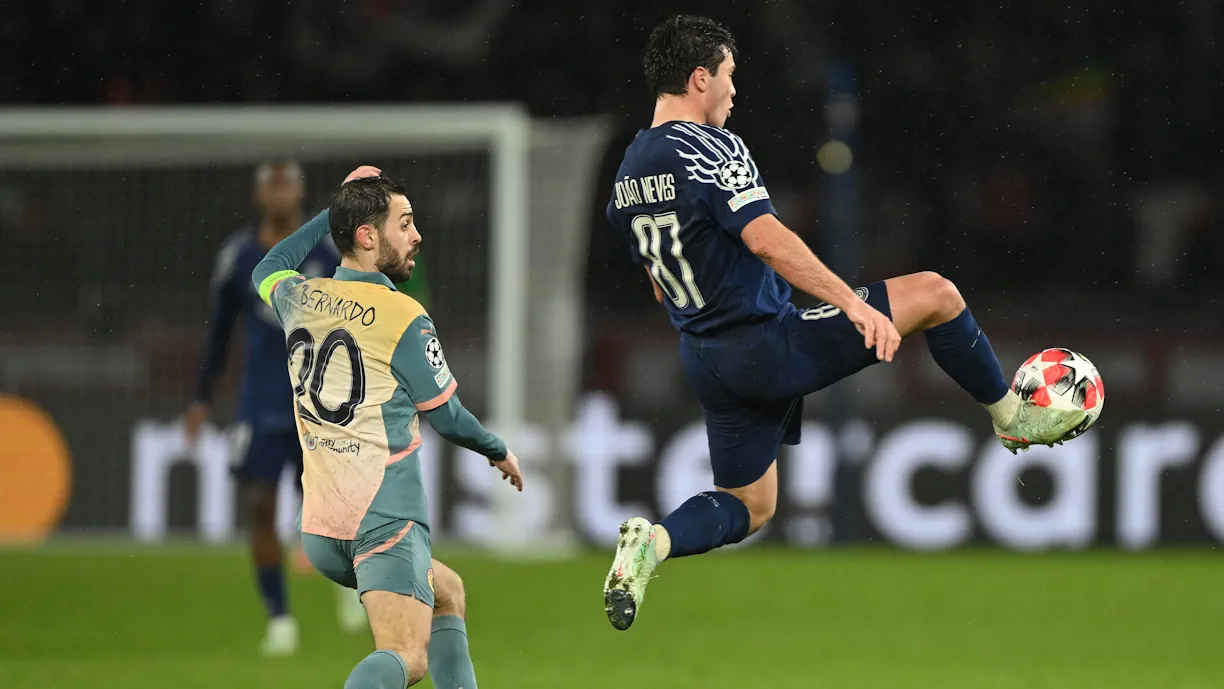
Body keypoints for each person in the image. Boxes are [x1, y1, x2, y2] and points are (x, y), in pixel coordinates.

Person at [600, 15, 1089, 631]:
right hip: (763, 343)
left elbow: (657, 276)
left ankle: (655, 544)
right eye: (728, 75)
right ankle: (1012, 417)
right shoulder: (708, 146)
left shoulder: (627, 175)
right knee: (937, 294)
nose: (733, 90)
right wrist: (853, 304)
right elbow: (767, 239)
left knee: (750, 505)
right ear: (699, 78)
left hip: (705, 357)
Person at [252, 165, 523, 689]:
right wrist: (496, 448)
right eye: (405, 223)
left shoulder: (299, 298)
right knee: (406, 656)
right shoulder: (403, 316)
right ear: (368, 235)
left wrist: (332, 213)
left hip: (322, 531)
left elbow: (268, 265)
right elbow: (447, 416)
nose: (417, 234)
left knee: (448, 591)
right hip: (384, 521)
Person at [181, 161, 364, 655]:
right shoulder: (240, 256)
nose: (281, 195)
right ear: (259, 194)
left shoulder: (330, 250)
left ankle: (344, 585)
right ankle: (280, 620)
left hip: (323, 402)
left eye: (289, 185)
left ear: (301, 193)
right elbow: (218, 332)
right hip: (260, 400)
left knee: (335, 507)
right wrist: (201, 397)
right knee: (260, 506)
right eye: (272, 185)